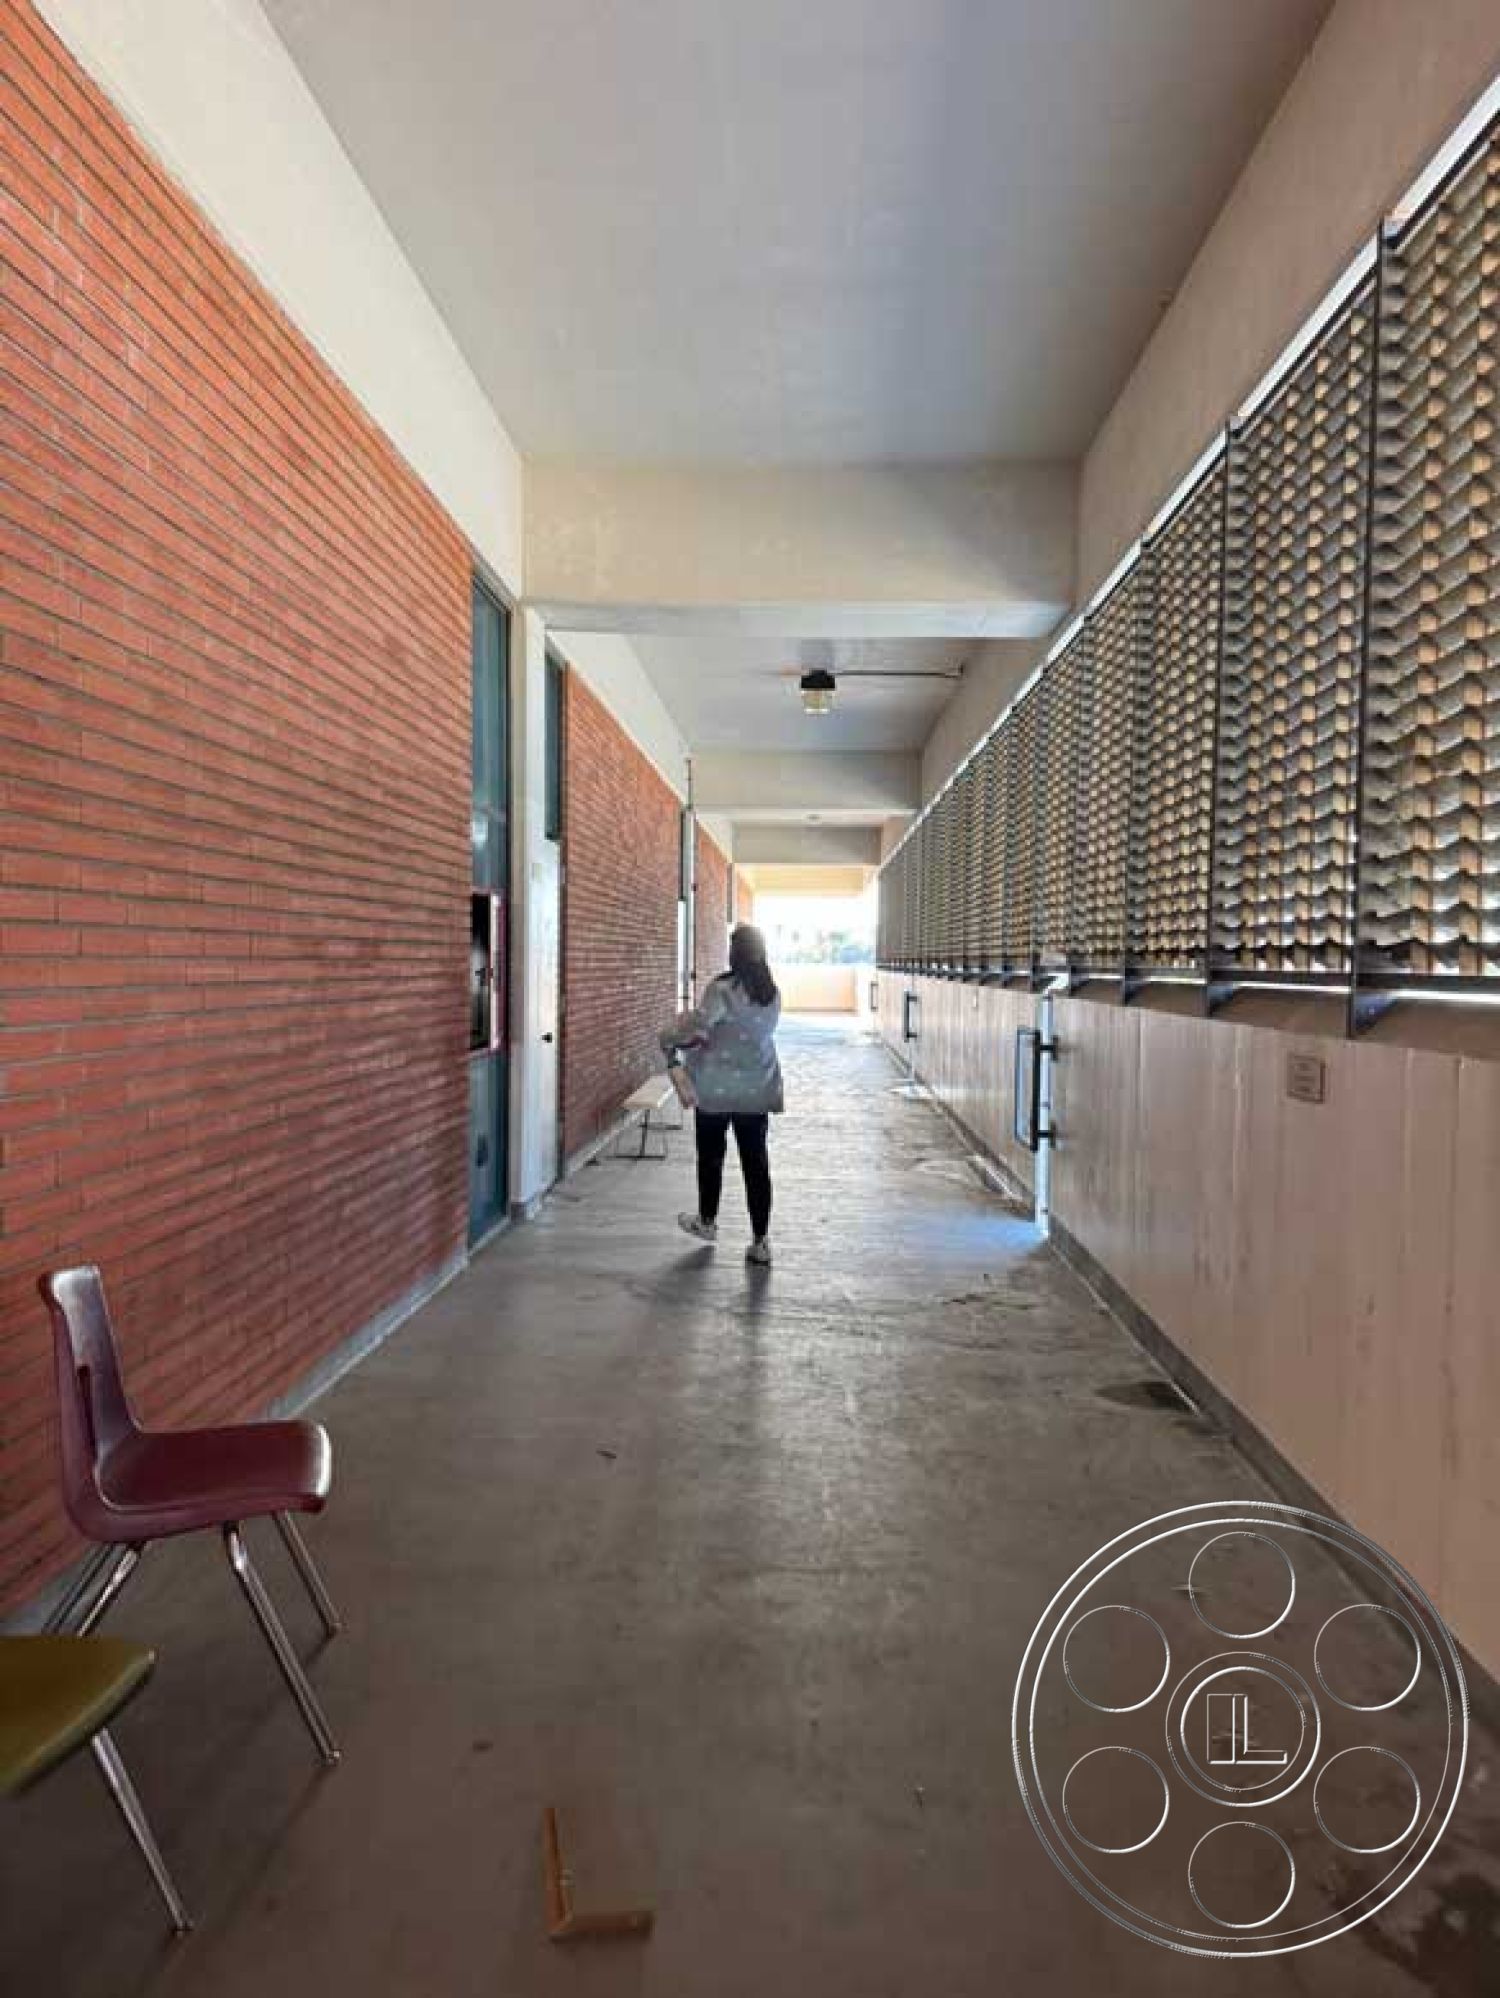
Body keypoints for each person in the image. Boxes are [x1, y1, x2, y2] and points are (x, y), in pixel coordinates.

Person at [660, 924, 783, 1265]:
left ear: (735, 952)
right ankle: (761, 1241)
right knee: (756, 1163)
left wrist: (669, 1038)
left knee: (711, 1156)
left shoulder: (722, 989)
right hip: (756, 1089)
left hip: (715, 1088)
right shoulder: (771, 993)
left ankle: (708, 1222)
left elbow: (697, 1033)